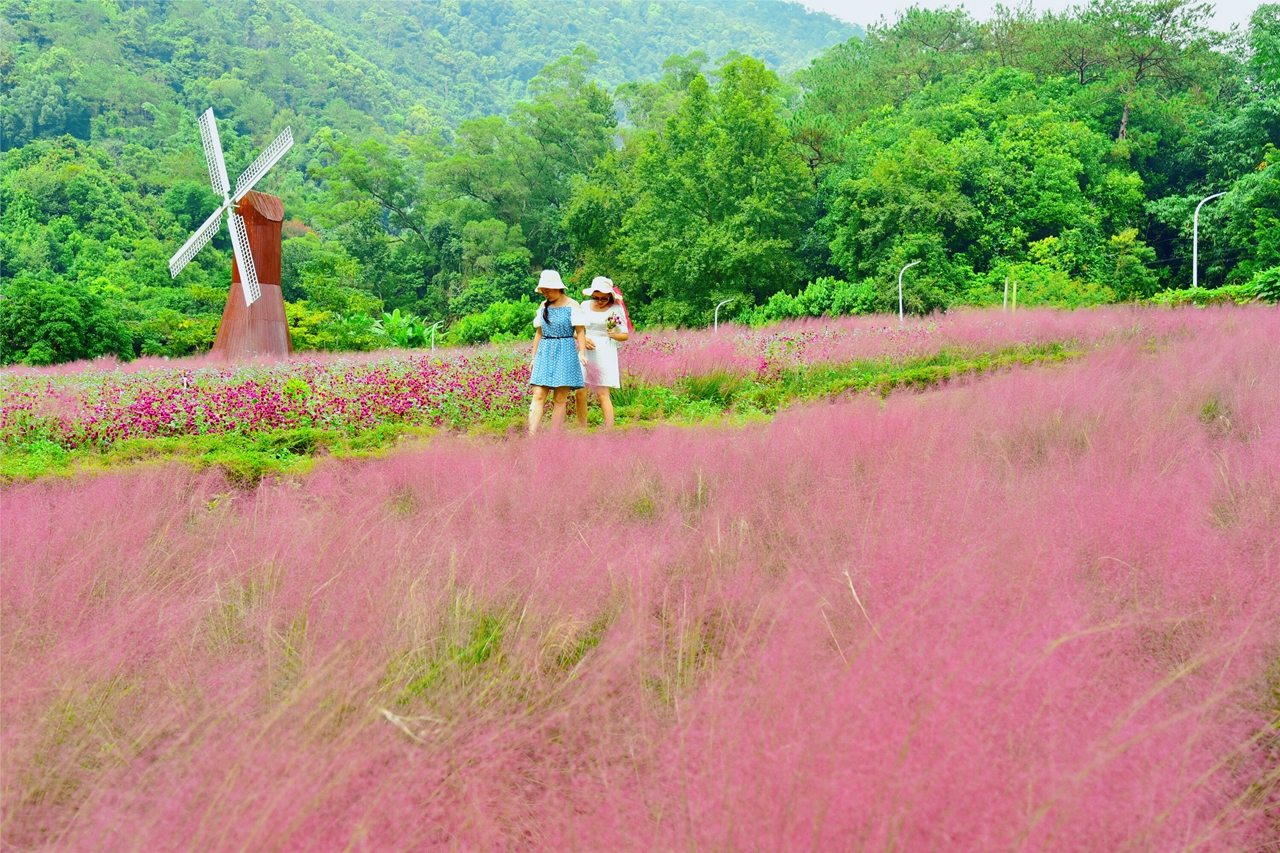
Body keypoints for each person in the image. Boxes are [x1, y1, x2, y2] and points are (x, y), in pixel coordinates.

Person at [528, 269, 587, 434]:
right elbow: (539, 333)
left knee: (560, 398)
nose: (545, 294)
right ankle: (531, 435)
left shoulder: (572, 306)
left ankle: (554, 437)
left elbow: (580, 331)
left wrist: (582, 353)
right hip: (545, 351)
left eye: (547, 290)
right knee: (538, 394)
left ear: (557, 288)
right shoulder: (543, 306)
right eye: (543, 291)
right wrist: (533, 357)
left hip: (565, 351)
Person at [575, 276, 630, 429]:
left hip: (605, 349)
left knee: (602, 392)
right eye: (596, 297)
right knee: (580, 391)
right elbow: (574, 330)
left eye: (603, 299)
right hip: (586, 348)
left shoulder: (616, 309)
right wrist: (584, 338)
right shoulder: (584, 306)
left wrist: (614, 334)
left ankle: (609, 429)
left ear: (610, 297)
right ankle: (582, 427)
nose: (599, 301)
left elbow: (624, 335)